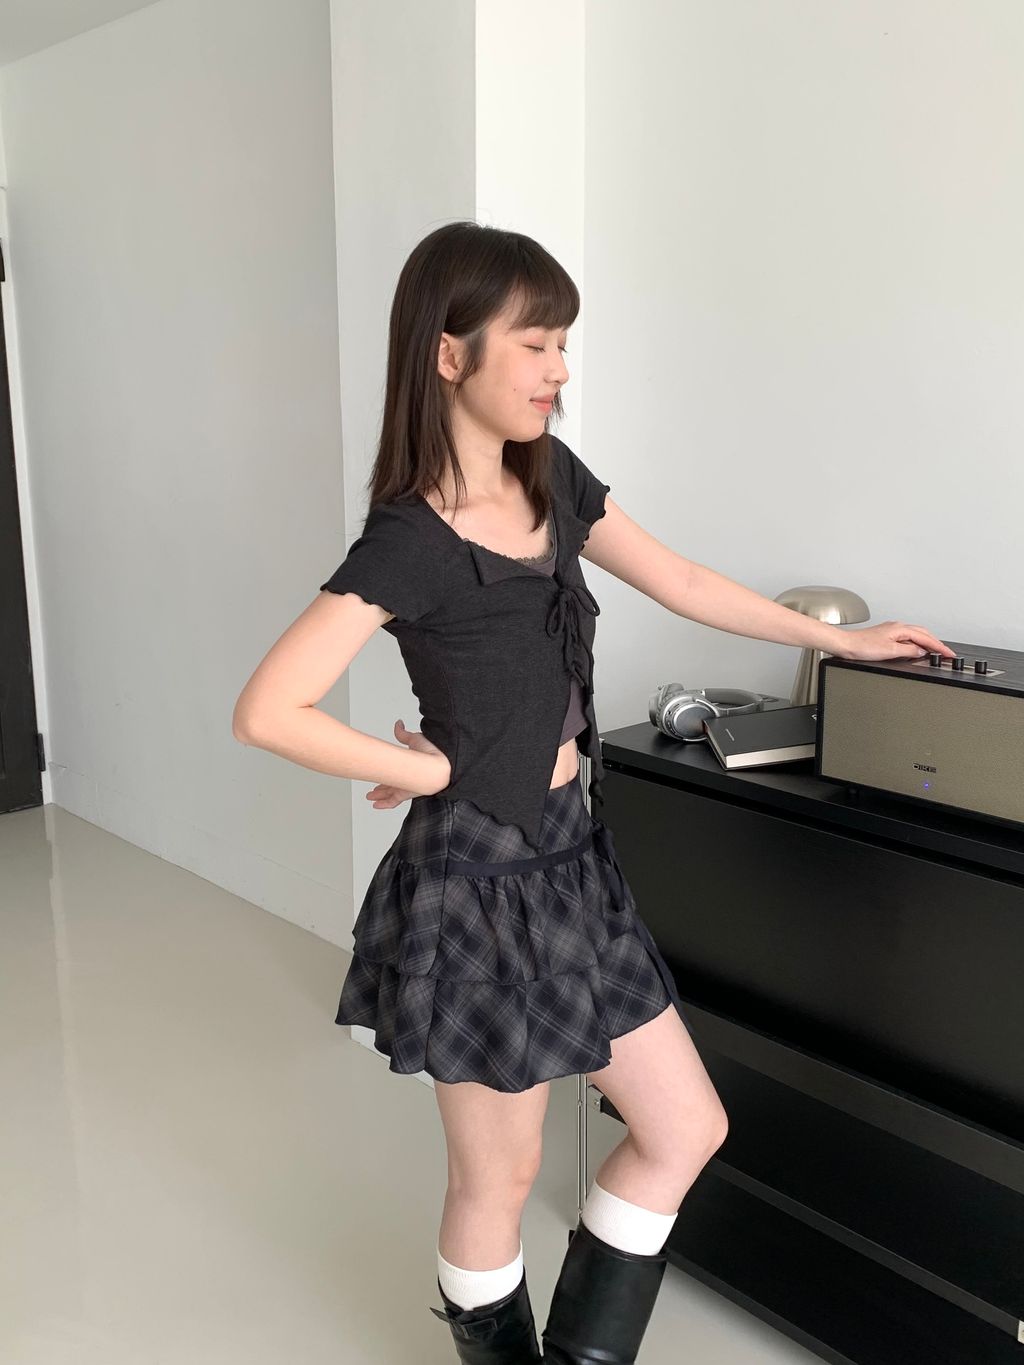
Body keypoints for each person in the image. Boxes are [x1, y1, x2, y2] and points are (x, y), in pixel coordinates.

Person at [232, 221, 954, 1364]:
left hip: (570, 856)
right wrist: (427, 769)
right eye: (535, 344)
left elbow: (683, 581)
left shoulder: (553, 479)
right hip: (475, 877)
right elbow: (270, 709)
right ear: (449, 354)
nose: (558, 369)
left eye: (563, 342)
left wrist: (844, 642)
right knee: (500, 1175)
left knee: (684, 1127)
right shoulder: (411, 539)